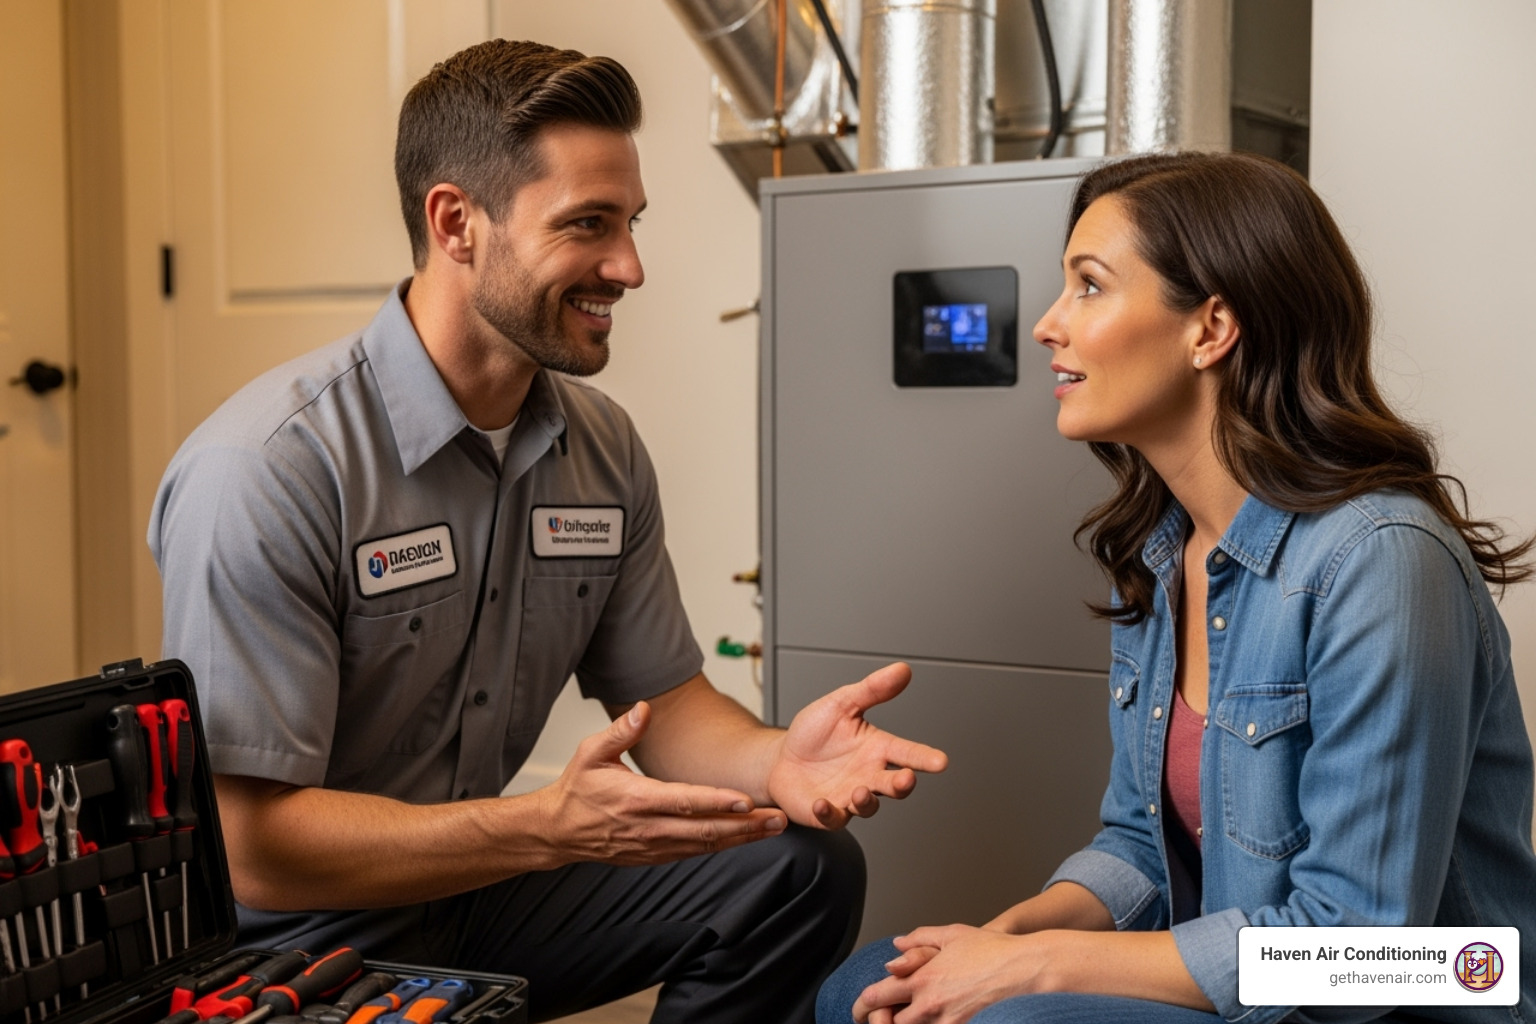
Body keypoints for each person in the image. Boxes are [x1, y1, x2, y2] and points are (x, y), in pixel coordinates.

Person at [149, 39, 946, 1024]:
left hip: (478, 890)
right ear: (456, 223)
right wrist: (543, 828)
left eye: (631, 223)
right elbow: (253, 847)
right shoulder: (270, 468)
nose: (630, 267)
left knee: (797, 866)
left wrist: (776, 761)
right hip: (297, 940)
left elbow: (667, 703)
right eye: (588, 224)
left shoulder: (600, 448)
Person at [816, 151, 1536, 1024]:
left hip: (1396, 1007)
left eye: (1089, 286)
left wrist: (1037, 969)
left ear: (1210, 329)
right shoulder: (1165, 550)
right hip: (1245, 997)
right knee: (868, 987)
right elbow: (1141, 848)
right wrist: (1000, 942)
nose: (1046, 325)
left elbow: (1361, 948)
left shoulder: (1380, 560)